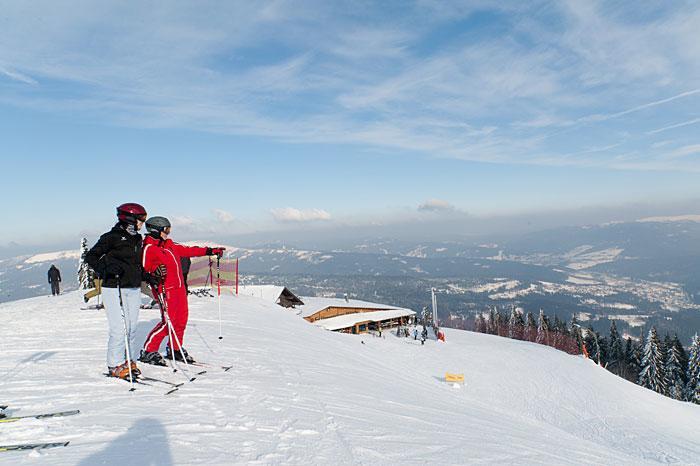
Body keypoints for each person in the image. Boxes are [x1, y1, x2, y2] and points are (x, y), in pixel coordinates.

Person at [139, 216, 225, 366]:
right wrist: (154, 274)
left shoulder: (169, 245)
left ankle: (175, 349)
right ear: (156, 230)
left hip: (179, 289)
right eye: (166, 230)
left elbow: (188, 251)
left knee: (181, 321)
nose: (168, 233)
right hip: (165, 290)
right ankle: (148, 351)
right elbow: (143, 270)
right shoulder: (148, 248)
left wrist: (210, 251)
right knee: (168, 322)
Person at [85, 203, 147, 379]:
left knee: (132, 327)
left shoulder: (137, 239)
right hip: (113, 287)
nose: (142, 223)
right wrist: (107, 268)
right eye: (140, 219)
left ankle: (129, 359)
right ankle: (114, 365)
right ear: (129, 219)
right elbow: (91, 257)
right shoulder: (111, 237)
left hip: (133, 287)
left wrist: (147, 276)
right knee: (118, 328)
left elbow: (135, 264)